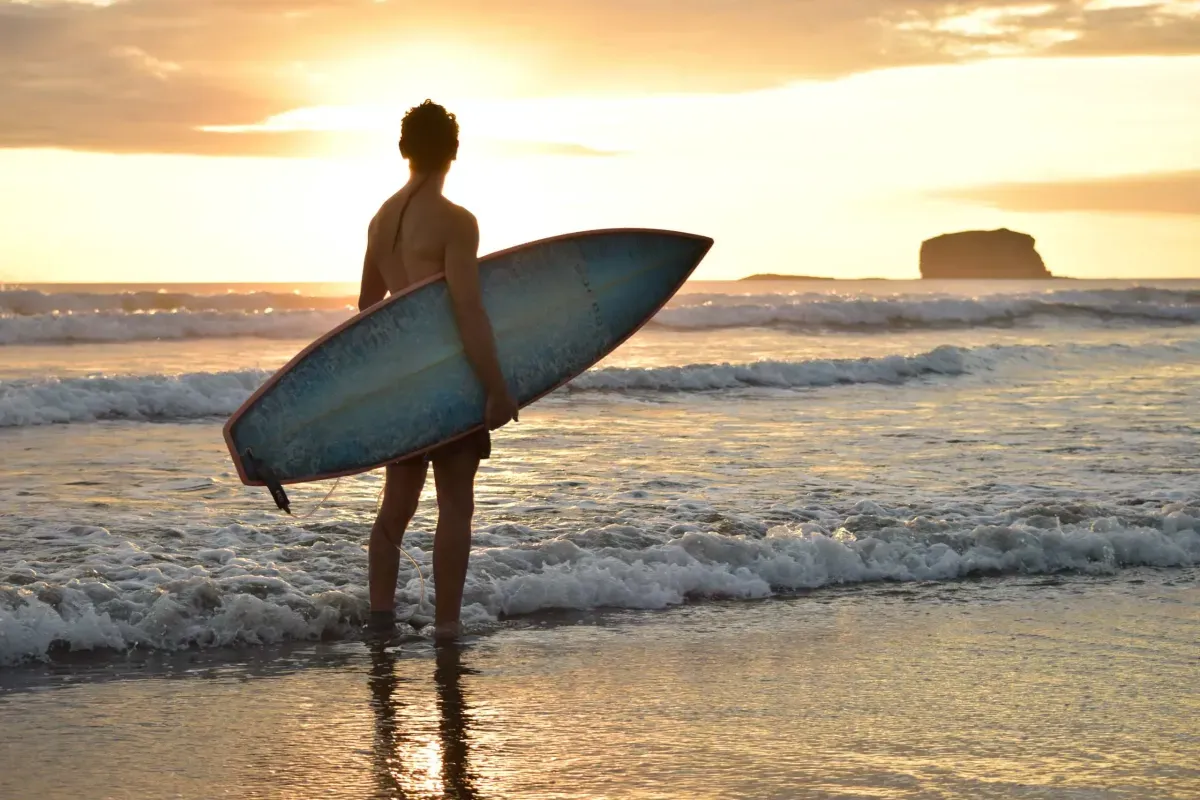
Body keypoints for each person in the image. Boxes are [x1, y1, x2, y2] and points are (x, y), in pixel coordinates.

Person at [358, 100, 518, 641]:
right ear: (453, 152)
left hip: (403, 389)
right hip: (449, 387)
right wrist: (496, 388)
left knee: (394, 510)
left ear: (404, 150)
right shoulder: (456, 222)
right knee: (455, 508)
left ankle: (381, 621)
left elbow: (367, 308)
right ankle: (446, 629)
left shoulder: (379, 221)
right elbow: (468, 311)